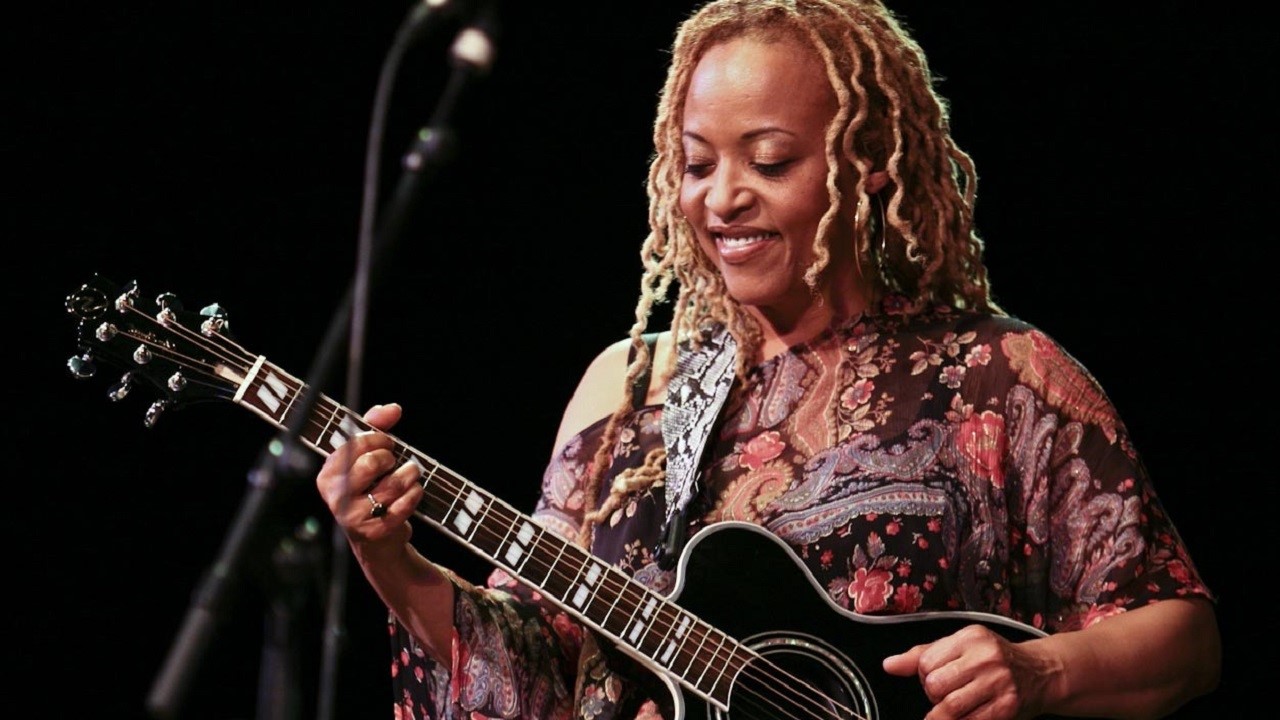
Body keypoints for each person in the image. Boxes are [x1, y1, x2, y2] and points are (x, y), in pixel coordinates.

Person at [315, 1, 1221, 718]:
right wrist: (394, 561)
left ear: (867, 161)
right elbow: (537, 673)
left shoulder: (1003, 376)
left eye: (770, 161)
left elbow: (1183, 639)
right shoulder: (628, 393)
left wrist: (1040, 672)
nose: (722, 199)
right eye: (697, 165)